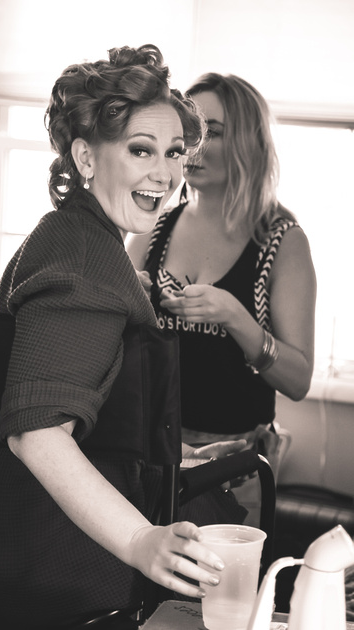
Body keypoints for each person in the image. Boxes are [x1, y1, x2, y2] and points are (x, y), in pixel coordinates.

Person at [0, 47, 248, 630]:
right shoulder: (84, 262)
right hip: (24, 541)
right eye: (141, 150)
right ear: (86, 157)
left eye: (174, 153)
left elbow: (79, 398)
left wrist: (178, 453)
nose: (165, 174)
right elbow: (38, 433)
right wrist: (142, 538)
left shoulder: (69, 232)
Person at [128, 72, 316, 521]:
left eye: (213, 132)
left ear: (249, 144)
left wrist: (238, 319)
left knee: (216, 589)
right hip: (151, 454)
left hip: (233, 469)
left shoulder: (281, 241)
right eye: (188, 131)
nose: (194, 145)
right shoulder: (154, 229)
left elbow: (299, 380)